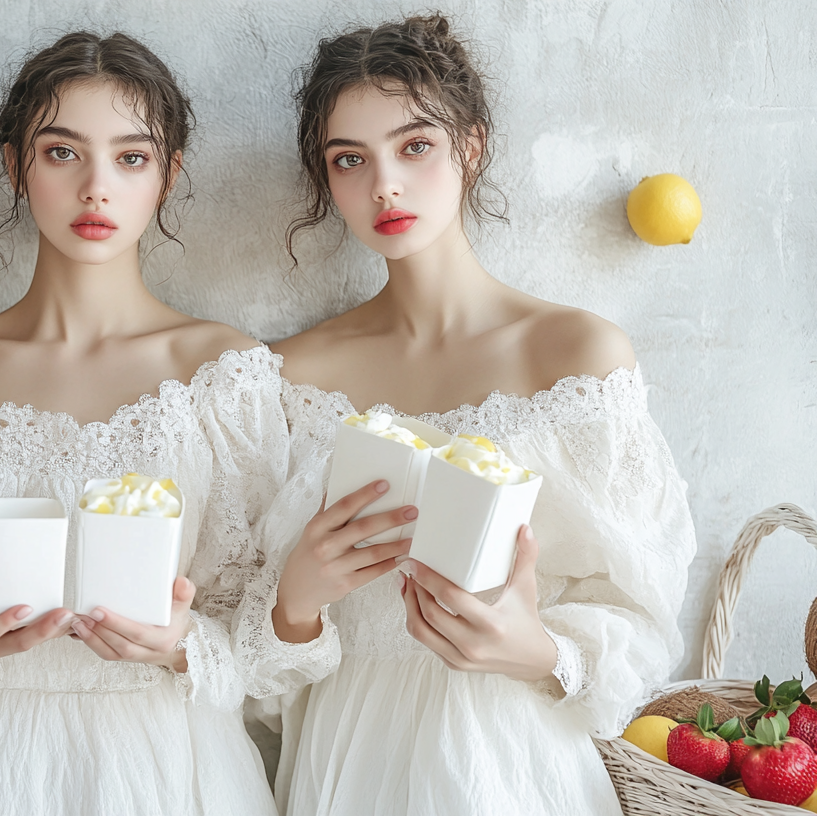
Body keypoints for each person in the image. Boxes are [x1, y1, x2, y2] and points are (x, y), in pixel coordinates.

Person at [252, 15, 699, 815]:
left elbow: (647, 606)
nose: (384, 184)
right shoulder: (289, 376)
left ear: (472, 146)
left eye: (413, 146)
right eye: (349, 160)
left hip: (516, 757)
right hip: (347, 754)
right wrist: (295, 603)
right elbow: (249, 664)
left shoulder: (578, 355)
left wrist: (542, 652)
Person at [0, 31, 286, 816]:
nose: (96, 189)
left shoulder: (224, 376)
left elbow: (274, 639)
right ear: (15, 165)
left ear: (167, 175)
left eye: (131, 158)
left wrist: (183, 645)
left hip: (175, 766)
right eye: (62, 153)